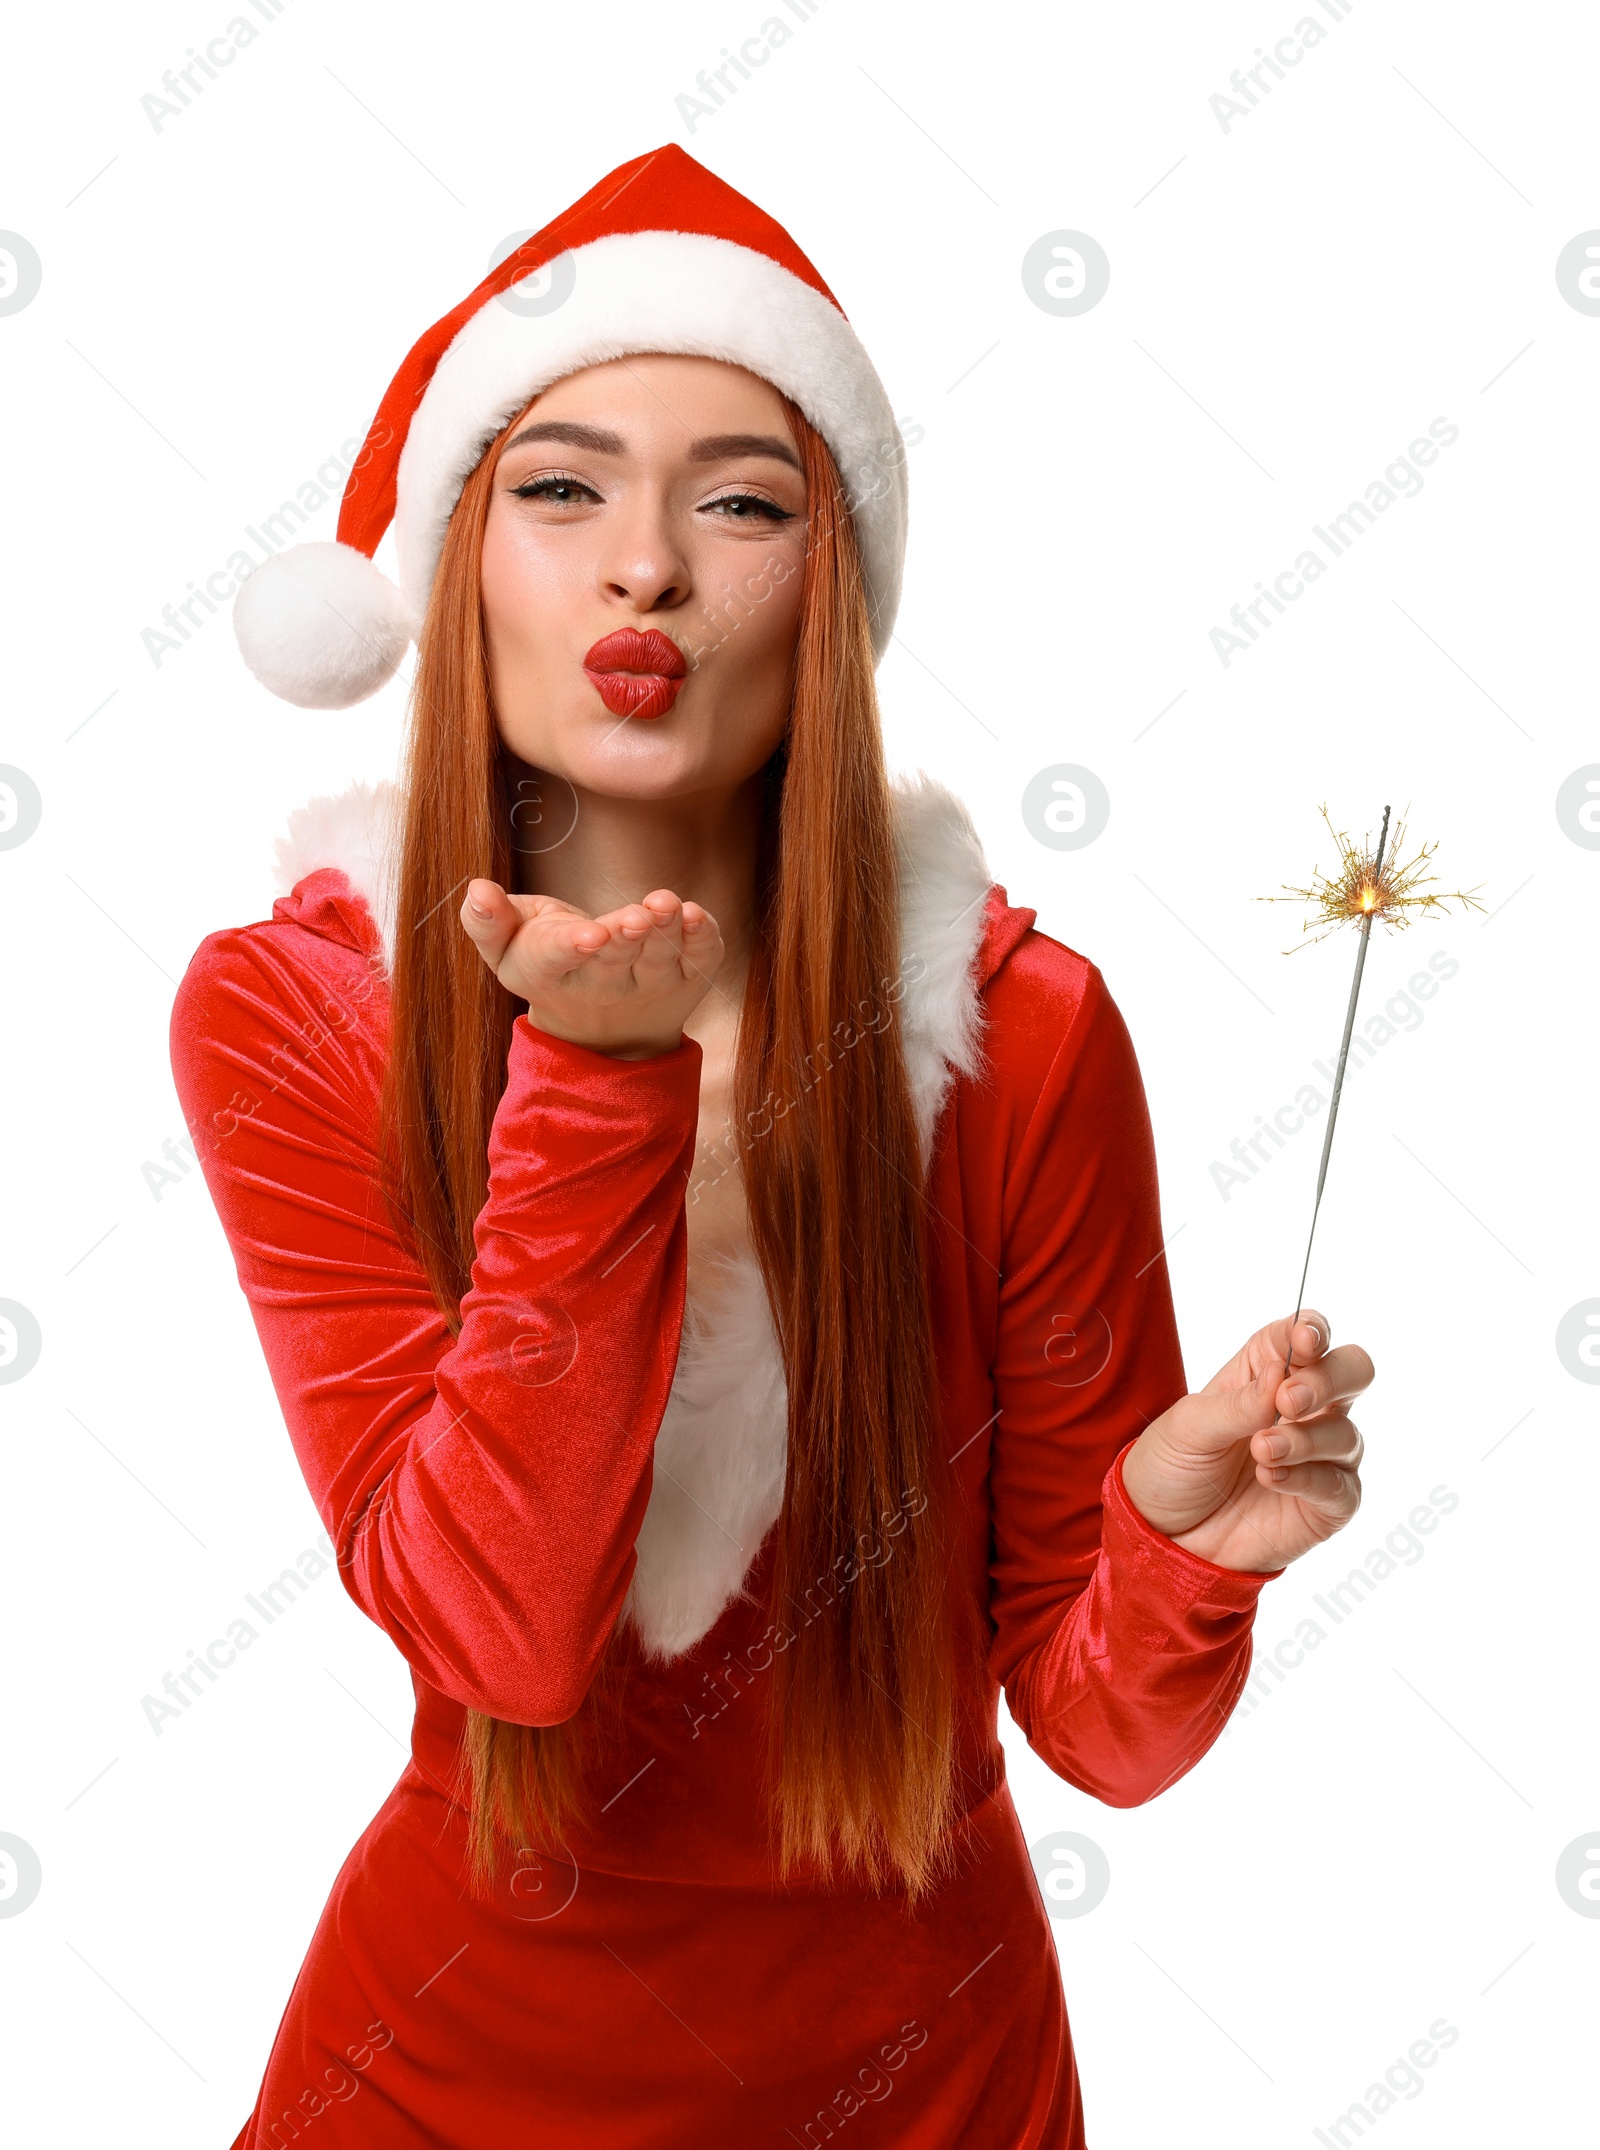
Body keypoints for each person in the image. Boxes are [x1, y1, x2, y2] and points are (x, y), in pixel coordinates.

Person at [170, 144, 1373, 2150]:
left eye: (740, 501)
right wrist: (594, 1082)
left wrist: (1175, 1550)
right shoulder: (302, 1012)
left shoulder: (1022, 1029)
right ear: (452, 559)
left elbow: (1098, 1731)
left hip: (924, 2075)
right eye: (558, 489)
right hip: (451, 2066)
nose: (645, 565)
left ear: (832, 591)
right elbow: (497, 1631)